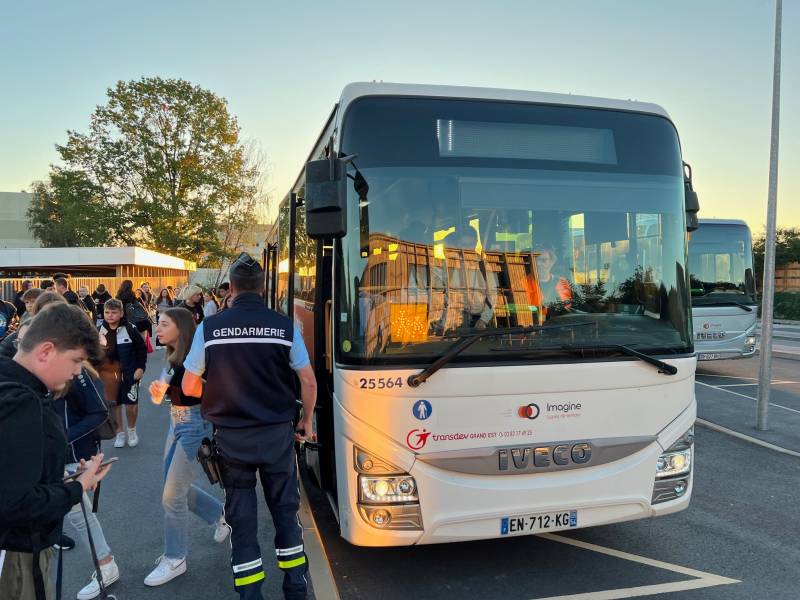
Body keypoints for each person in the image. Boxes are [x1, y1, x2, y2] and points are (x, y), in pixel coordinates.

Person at [182, 253, 317, 600]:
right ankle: (295, 589)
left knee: (241, 521)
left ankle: (251, 594)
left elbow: (189, 387)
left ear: (232, 289)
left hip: (231, 441)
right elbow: (308, 381)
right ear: (262, 287)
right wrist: (306, 420)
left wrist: (219, 390)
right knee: (286, 513)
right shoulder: (284, 326)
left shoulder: (210, 328)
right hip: (277, 437)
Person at [0, 303, 111, 600]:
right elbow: (15, 502)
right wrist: (77, 487)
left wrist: (66, 479)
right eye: (75, 360)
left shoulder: (14, 386)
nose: (77, 371)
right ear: (46, 350)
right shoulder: (21, 402)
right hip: (18, 553)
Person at [143, 307, 228, 587]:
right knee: (173, 487)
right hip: (175, 422)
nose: (158, 328)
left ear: (180, 327)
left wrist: (193, 386)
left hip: (195, 426)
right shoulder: (171, 356)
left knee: (171, 496)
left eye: (164, 324)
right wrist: (158, 392)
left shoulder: (196, 356)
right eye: (158, 323)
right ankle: (219, 515)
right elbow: (161, 397)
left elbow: (213, 391)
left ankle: (175, 558)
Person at [53, 359, 121, 599]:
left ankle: (106, 565)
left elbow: (99, 412)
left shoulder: (77, 370)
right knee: (67, 511)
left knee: (79, 514)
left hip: (74, 454)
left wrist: (63, 437)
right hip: (56, 453)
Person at [97, 298, 147, 448]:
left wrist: (140, 368)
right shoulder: (99, 329)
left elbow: (141, 349)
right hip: (108, 376)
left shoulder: (130, 328)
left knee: (131, 405)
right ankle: (120, 433)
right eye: (107, 312)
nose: (110, 315)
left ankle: (132, 430)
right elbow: (93, 352)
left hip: (130, 373)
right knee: (115, 406)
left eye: (114, 312)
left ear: (121, 313)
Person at [525, 244, 572, 322]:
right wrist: (538, 309)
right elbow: (519, 307)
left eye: (543, 260)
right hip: (532, 327)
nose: (539, 263)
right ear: (531, 262)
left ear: (552, 262)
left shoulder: (562, 283)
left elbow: (567, 307)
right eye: (535, 259)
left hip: (559, 326)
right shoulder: (521, 283)